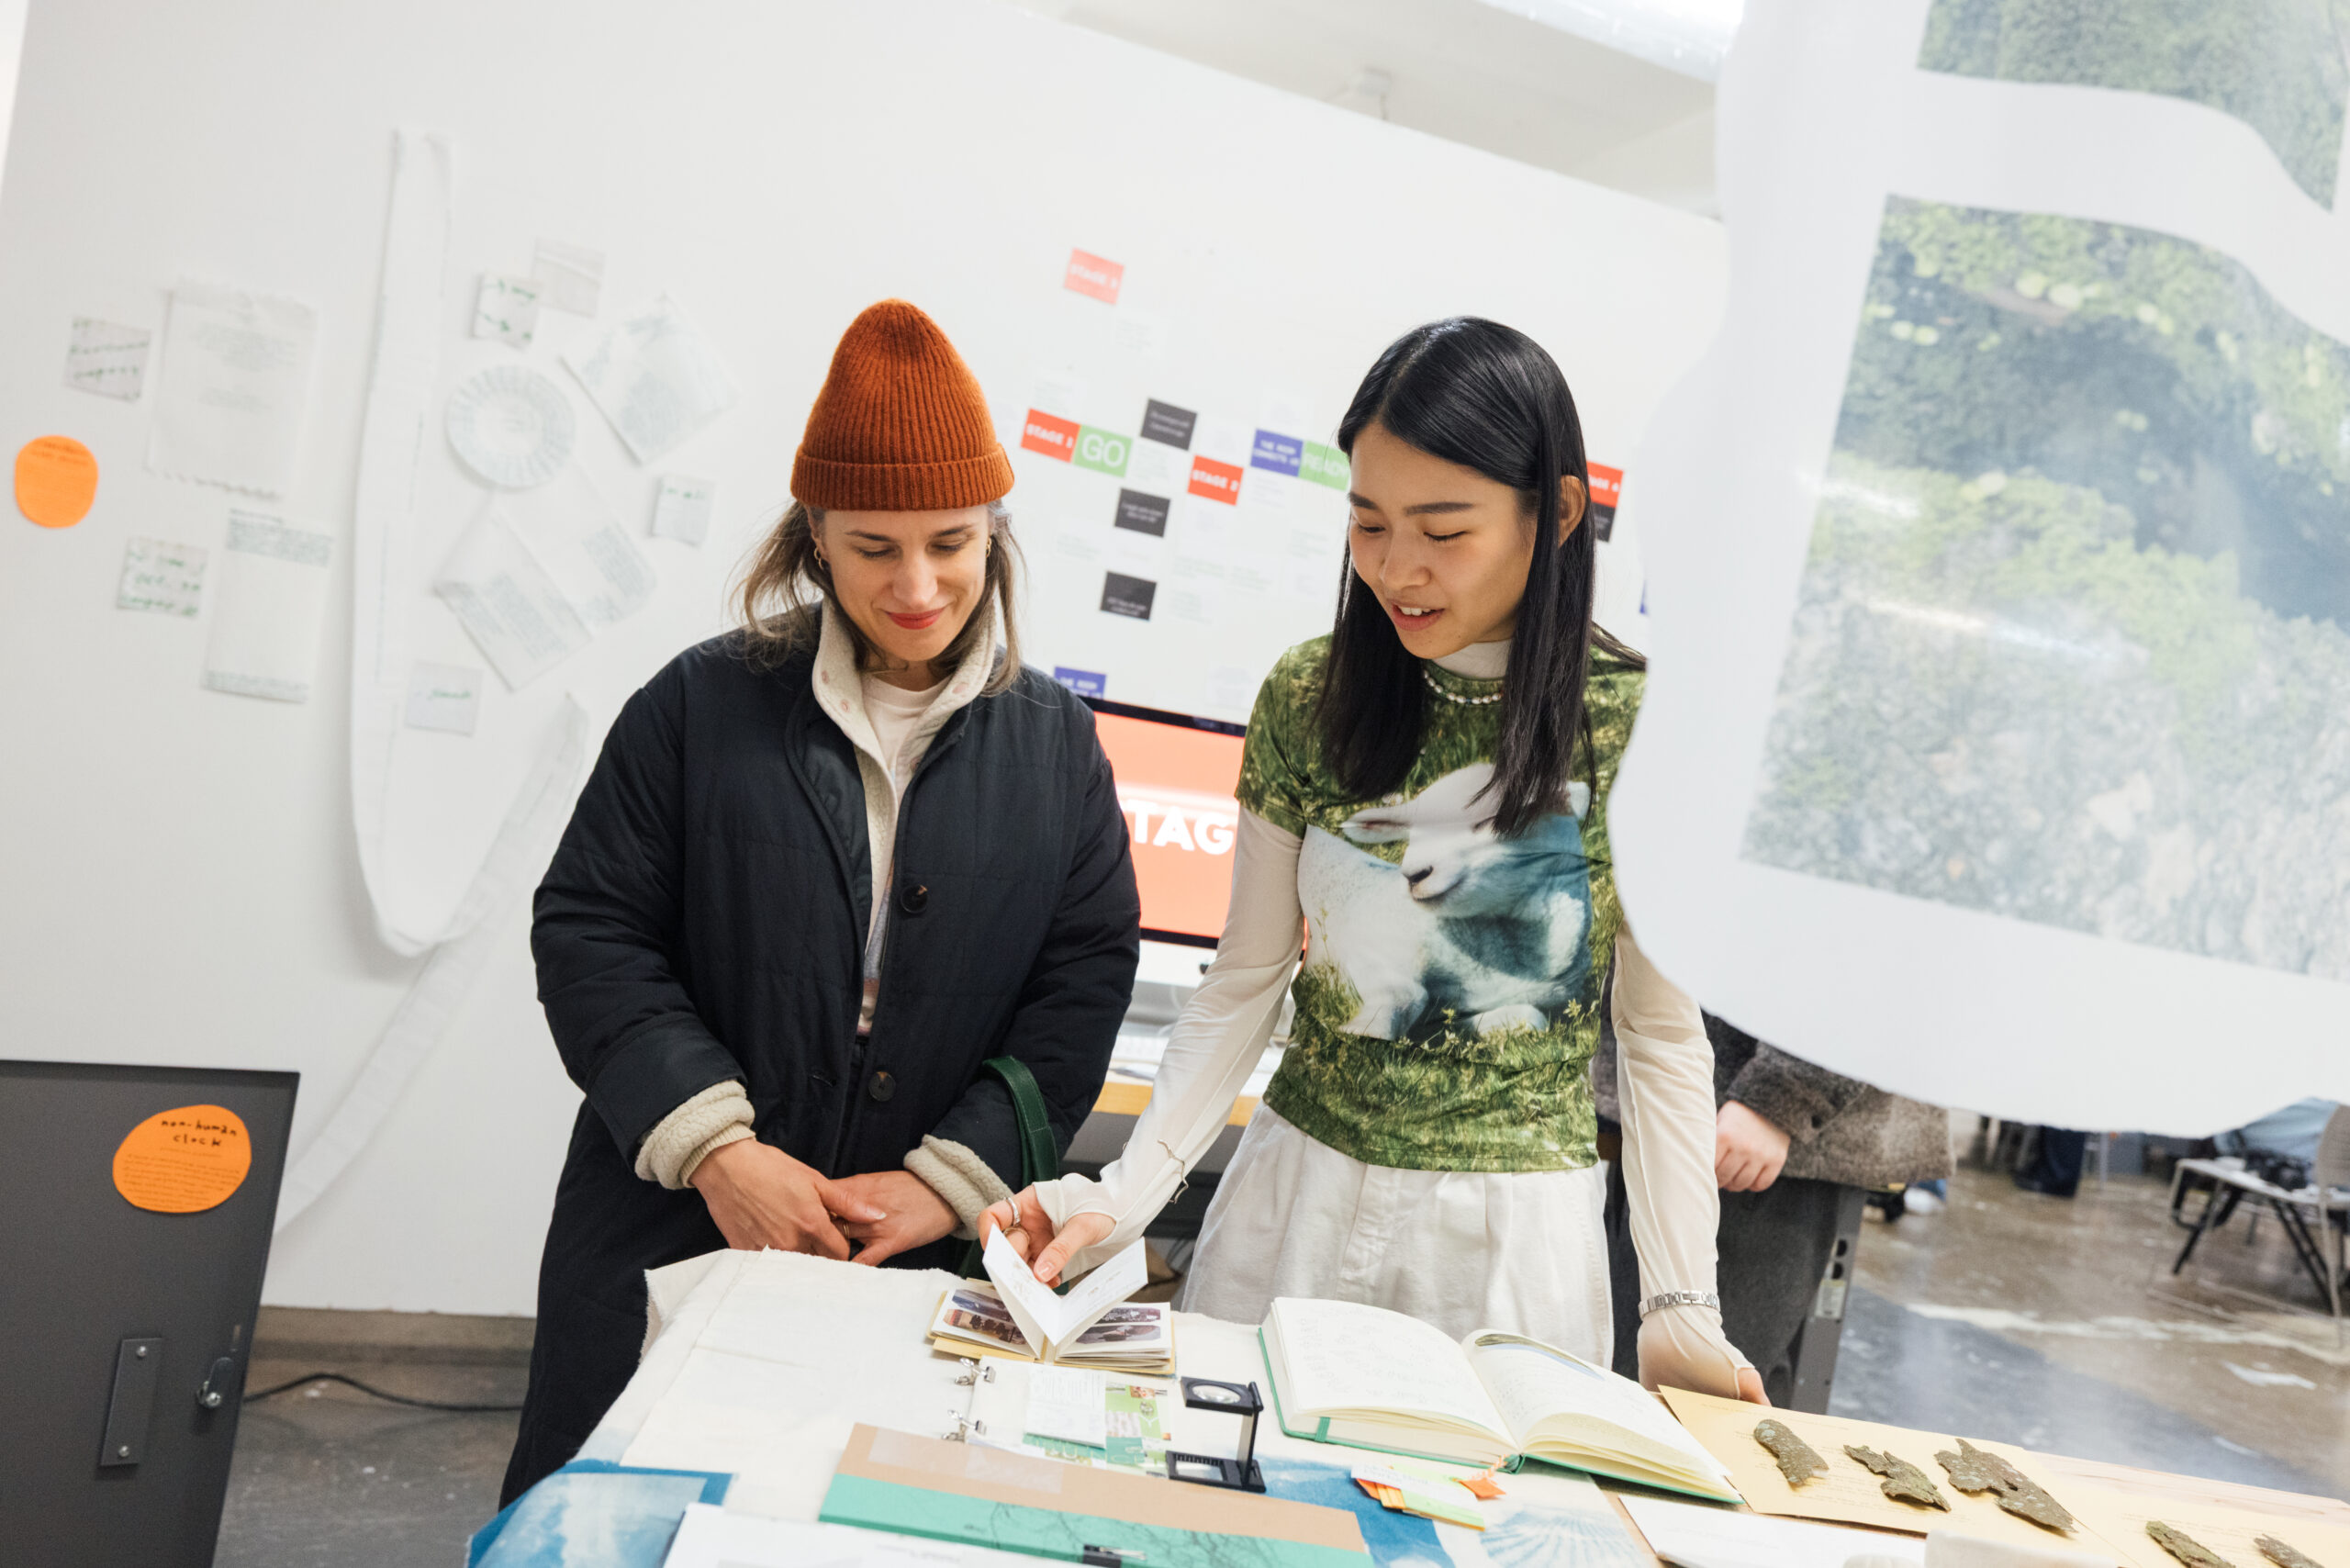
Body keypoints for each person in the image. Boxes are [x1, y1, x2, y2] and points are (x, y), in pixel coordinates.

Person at [981, 317, 1763, 1402]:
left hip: (1504, 1246)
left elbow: (1660, 1034)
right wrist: (1126, 1191)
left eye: (1444, 530)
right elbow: (1247, 979)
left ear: (1557, 515)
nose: (1397, 568)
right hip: (1291, 1203)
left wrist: (1679, 1303)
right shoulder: (1311, 696)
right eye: (1368, 522)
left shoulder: (1640, 730)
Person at [501, 300, 1141, 1501]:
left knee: (847, 1515)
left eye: (951, 542)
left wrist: (949, 1178)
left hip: (914, 1254)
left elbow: (1083, 980)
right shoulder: (697, 707)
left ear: (994, 533)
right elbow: (591, 929)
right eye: (873, 547)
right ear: (814, 542)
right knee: (616, 1514)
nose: (918, 585)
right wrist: (718, 1151)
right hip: (675, 1220)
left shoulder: (1056, 747)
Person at [1592, 1014, 1953, 1406]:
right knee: (1639, 1374)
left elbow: (1864, 980)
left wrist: (1780, 1095)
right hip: (1671, 1106)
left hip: (1744, 1130)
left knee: (1694, 1399)